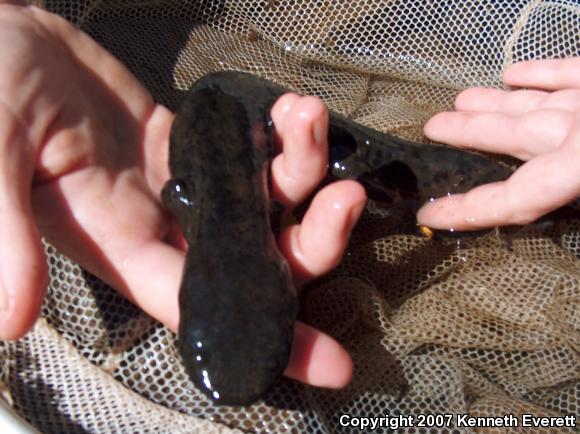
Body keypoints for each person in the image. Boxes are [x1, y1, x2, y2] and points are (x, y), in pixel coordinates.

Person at [0, 1, 578, 392]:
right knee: (363, 164)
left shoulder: (200, 211)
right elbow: (182, 193)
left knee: (368, 161)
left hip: (235, 100)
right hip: (227, 113)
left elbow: (184, 190)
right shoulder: (192, 211)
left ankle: (495, 190)